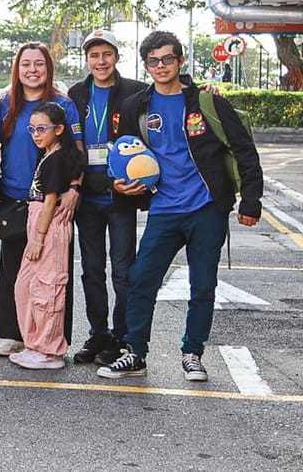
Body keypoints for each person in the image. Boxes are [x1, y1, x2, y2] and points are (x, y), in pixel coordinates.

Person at [98, 31, 263, 381]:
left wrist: (252, 199)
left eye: (167, 59)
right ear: (145, 65)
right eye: (153, 61)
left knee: (202, 285)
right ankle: (136, 352)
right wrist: (117, 183)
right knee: (141, 280)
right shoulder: (136, 107)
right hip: (164, 209)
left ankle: (192, 353)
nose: (161, 66)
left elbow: (244, 149)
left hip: (206, 208)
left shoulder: (206, 102)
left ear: (180, 60)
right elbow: (121, 151)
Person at [0, 42, 83, 357]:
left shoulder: (63, 105)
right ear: (17, 69)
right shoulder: (5, 103)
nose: (32, 70)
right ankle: (12, 333)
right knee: (14, 271)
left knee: (51, 274)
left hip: (53, 202)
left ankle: (51, 338)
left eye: (39, 64)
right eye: (26, 64)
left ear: (49, 68)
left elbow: (76, 151)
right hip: (15, 197)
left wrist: (74, 188)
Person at [66, 30, 147, 364]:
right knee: (92, 270)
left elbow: (174, 96)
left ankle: (121, 337)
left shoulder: (135, 91)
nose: (100, 61)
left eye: (106, 54)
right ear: (87, 59)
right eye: (94, 55)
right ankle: (97, 335)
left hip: (121, 197)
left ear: (116, 56)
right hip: (87, 197)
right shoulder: (76, 93)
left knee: (123, 271)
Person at [8, 102, 85, 369]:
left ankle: (50, 351)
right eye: (32, 129)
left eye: (42, 128)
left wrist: (38, 238)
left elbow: (51, 201)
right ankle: (35, 343)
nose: (36, 134)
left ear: (59, 129)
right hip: (38, 221)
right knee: (25, 286)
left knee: (48, 289)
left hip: (48, 227)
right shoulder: (49, 155)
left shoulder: (56, 158)